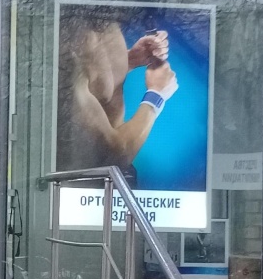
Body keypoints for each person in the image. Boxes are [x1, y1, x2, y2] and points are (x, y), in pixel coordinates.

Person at [58, 14, 177, 182]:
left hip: (117, 177)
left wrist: (129, 60)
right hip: (85, 182)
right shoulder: (66, 51)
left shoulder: (103, 21)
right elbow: (109, 155)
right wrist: (156, 96)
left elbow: (99, 85)